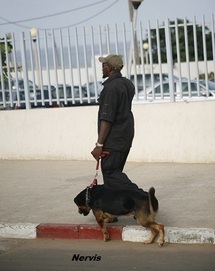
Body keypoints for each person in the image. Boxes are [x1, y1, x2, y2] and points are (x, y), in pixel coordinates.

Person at [91, 54, 140, 197]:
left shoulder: (111, 88)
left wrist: (99, 144)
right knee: (113, 176)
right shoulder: (127, 84)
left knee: (111, 173)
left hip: (114, 139)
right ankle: (112, 211)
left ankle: (142, 199)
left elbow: (107, 118)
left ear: (111, 68)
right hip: (125, 135)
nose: (102, 68)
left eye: (104, 65)